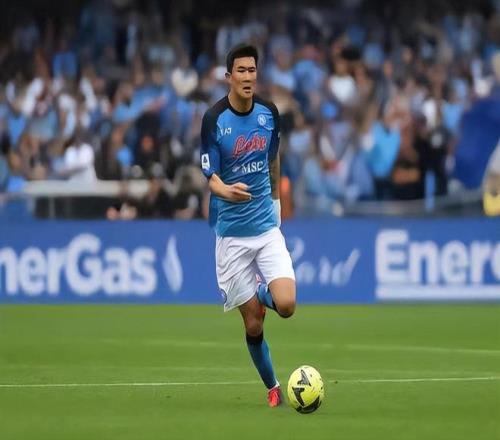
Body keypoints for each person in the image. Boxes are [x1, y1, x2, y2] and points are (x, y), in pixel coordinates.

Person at [200, 43, 296, 407]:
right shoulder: (214, 119)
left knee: (286, 304)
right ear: (229, 77)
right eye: (241, 70)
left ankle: (261, 293)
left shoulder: (269, 113)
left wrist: (277, 203)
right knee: (254, 323)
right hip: (232, 238)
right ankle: (273, 387)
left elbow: (273, 160)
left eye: (252, 70)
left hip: (266, 228)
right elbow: (209, 175)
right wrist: (225, 190)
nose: (247, 76)